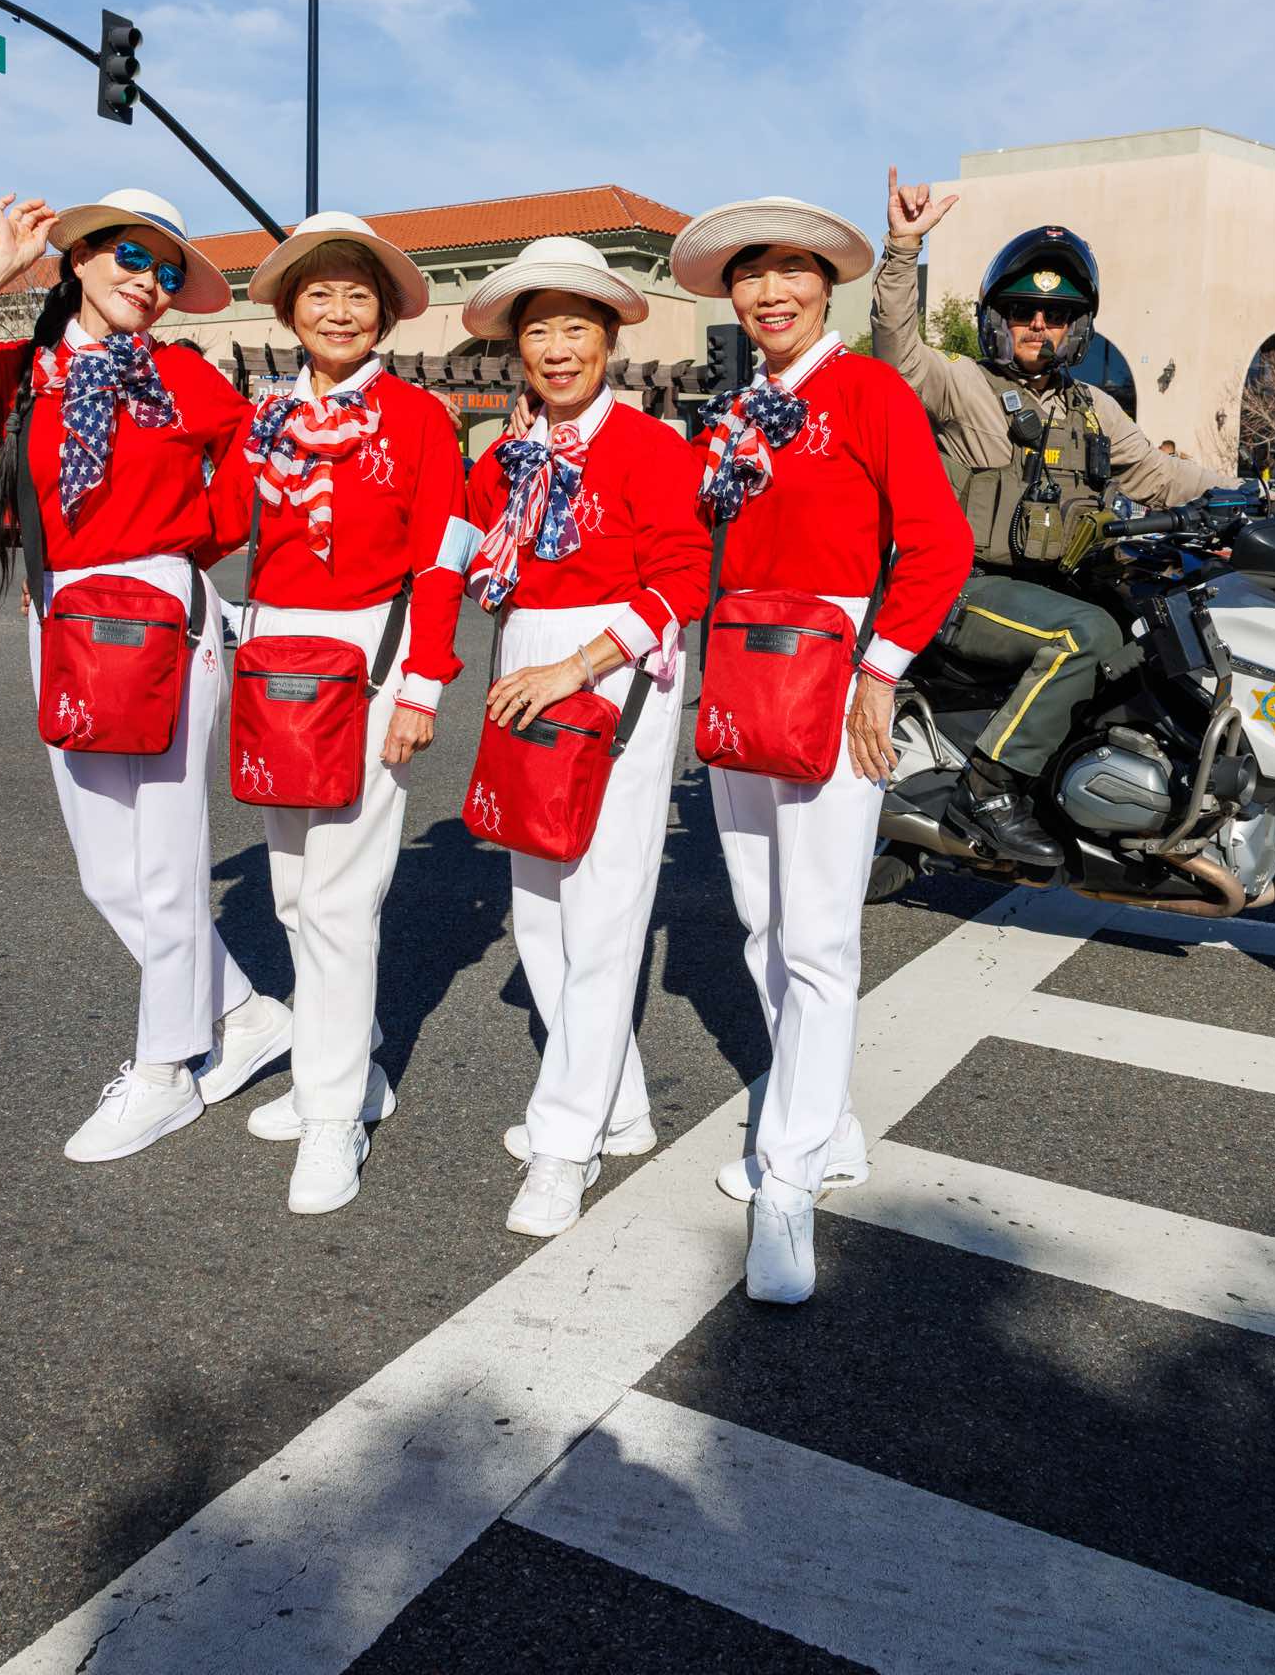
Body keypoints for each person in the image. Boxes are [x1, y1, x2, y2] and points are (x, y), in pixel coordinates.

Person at [0, 191, 292, 1162]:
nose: (150, 282)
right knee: (106, 870)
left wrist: (181, 557)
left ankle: (166, 1071)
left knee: (166, 859)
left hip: (161, 613)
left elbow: (247, 462)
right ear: (79, 258)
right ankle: (246, 1014)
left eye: (168, 272)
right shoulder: (27, 374)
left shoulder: (181, 375)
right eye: (131, 257)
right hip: (60, 617)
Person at [671, 197, 973, 1306]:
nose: (770, 291)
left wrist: (879, 672)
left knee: (819, 937)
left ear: (825, 284)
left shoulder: (869, 390)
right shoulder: (735, 408)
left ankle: (788, 1175)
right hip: (744, 670)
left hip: (833, 672)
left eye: (791, 270)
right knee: (762, 919)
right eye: (750, 274)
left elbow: (938, 543)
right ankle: (828, 1124)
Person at [206, 213, 470, 1214]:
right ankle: (348, 1063)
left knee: (340, 899)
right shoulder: (263, 418)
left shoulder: (418, 417)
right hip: (276, 664)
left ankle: (331, 1118)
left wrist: (423, 682)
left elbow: (440, 556)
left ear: (386, 314)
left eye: (358, 294)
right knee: (289, 892)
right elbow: (216, 527)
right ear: (289, 311)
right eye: (318, 292)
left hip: (371, 660)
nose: (339, 310)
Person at [870, 169, 1236, 865]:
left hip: (1048, 588)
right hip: (959, 587)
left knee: (1157, 631)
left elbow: (1161, 477)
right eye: (1022, 311)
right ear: (997, 319)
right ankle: (987, 790)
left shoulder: (1093, 408)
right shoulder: (961, 385)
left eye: (1056, 314)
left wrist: (1251, 497)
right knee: (1085, 636)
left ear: (1077, 328)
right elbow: (897, 349)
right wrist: (902, 250)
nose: (1038, 324)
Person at [462, 236, 711, 1239]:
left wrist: (577, 664)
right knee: (538, 909)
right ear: (517, 347)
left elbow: (684, 579)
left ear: (608, 339)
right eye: (538, 331)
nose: (558, 349)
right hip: (522, 662)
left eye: (576, 328)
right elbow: (468, 553)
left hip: (611, 670)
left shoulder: (653, 446)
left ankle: (566, 1142)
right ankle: (620, 1103)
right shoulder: (505, 456)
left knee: (602, 909)